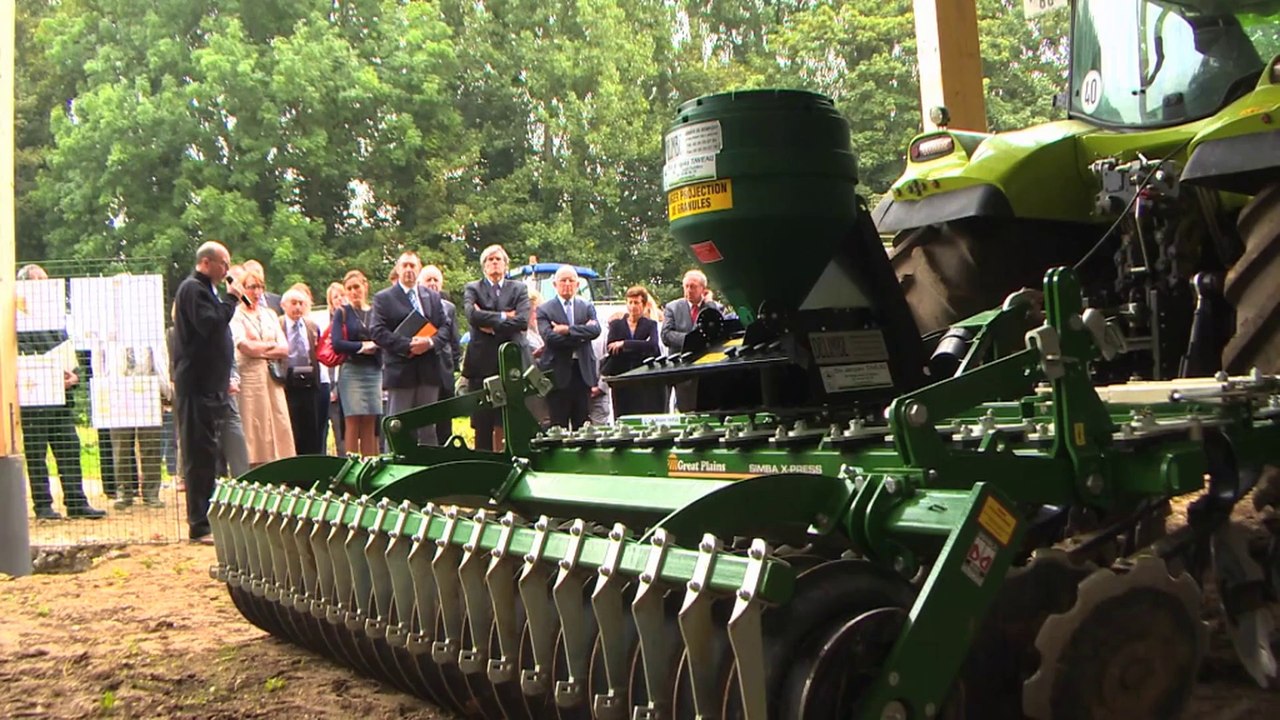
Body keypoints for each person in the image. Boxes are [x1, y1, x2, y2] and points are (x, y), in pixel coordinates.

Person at [16, 264, 106, 520]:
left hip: (61, 399)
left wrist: (74, 375)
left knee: (69, 447)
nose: (46, 286)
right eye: (40, 281)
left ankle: (77, 502)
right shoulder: (15, 321)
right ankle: (43, 505)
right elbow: (22, 360)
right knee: (36, 453)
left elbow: (69, 353)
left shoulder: (54, 319)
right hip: (34, 400)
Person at [172, 241, 243, 543]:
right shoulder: (192, 289)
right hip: (196, 387)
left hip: (211, 387)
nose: (227, 271)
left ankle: (209, 518)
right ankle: (198, 524)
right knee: (198, 456)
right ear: (207, 262)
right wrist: (231, 301)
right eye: (224, 264)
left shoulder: (206, 290)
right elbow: (210, 325)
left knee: (210, 455)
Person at [369, 251, 449, 446]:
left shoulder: (432, 297)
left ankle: (428, 472)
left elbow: (445, 328)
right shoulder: (383, 298)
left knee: (428, 428)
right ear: (397, 269)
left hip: (428, 371)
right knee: (398, 427)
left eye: (412, 266)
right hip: (401, 371)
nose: (408, 270)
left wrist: (429, 343)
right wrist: (408, 346)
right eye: (404, 265)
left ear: (419, 269)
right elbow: (377, 331)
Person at [461, 245, 531, 451]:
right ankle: (483, 462)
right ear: (483, 266)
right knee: (483, 421)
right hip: (481, 363)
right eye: (490, 259)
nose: (494, 262)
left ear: (506, 264)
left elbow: (522, 321)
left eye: (498, 259)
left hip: (511, 361)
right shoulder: (473, 288)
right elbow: (472, 316)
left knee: (511, 417)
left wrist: (490, 322)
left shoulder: (518, 288)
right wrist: (504, 316)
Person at [229, 266, 296, 467]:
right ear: (242, 289)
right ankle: (253, 467)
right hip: (250, 379)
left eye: (260, 287)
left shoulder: (270, 314)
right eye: (251, 287)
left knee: (279, 422)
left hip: (272, 378)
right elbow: (244, 346)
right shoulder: (235, 315)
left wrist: (261, 349)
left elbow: (285, 348)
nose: (257, 292)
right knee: (253, 425)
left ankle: (279, 468)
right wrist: (269, 347)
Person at [107, 342, 171, 509]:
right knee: (121, 446)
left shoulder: (150, 328)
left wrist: (165, 391)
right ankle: (124, 493)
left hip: (148, 389)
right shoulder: (111, 331)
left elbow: (162, 361)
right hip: (118, 390)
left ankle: (151, 493)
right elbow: (99, 360)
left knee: (151, 445)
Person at [537, 265, 600, 430]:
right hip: (557, 375)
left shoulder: (586, 306)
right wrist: (581, 336)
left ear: (577, 284)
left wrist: (567, 330)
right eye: (563, 280)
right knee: (558, 425)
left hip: (583, 373)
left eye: (571, 280)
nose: (567, 284)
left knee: (583, 425)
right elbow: (550, 338)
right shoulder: (544, 309)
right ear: (555, 285)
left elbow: (595, 330)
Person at [331, 270, 382, 457]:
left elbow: (385, 336)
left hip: (373, 370)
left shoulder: (375, 312)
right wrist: (361, 346)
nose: (354, 292)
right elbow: (337, 343)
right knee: (352, 419)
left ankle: (370, 465)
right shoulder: (342, 312)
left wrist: (377, 345)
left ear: (365, 286)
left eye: (357, 287)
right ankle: (350, 467)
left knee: (370, 419)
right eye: (349, 289)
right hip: (352, 370)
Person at [662, 269, 723, 411]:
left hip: (707, 366)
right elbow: (666, 334)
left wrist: (709, 303)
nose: (689, 290)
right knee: (687, 408)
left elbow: (720, 331)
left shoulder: (713, 307)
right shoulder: (673, 307)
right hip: (683, 366)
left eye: (693, 286)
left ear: (703, 289)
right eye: (686, 286)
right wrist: (691, 340)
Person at [604, 286, 665, 415]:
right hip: (622, 377)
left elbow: (652, 345)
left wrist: (624, 344)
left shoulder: (650, 325)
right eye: (630, 302)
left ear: (643, 305)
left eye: (636, 302)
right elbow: (610, 348)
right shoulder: (616, 325)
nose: (633, 306)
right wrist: (639, 346)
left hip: (644, 378)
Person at [419, 265, 462, 444]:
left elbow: (454, 340)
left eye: (436, 279)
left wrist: (454, 364)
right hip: (422, 369)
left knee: (445, 418)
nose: (433, 283)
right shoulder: (415, 305)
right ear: (420, 283)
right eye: (428, 280)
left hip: (444, 369)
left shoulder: (449, 308)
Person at [279, 287, 323, 455]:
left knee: (310, 428)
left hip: (309, 381)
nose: (297, 307)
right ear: (284, 305)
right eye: (293, 303)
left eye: (301, 303)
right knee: (291, 427)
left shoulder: (311, 325)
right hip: (286, 382)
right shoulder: (278, 324)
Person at [322, 281, 347, 455]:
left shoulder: (353, 322)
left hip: (349, 382)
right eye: (335, 297)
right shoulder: (327, 326)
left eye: (341, 295)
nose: (339, 300)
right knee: (336, 431)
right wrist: (331, 387)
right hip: (331, 384)